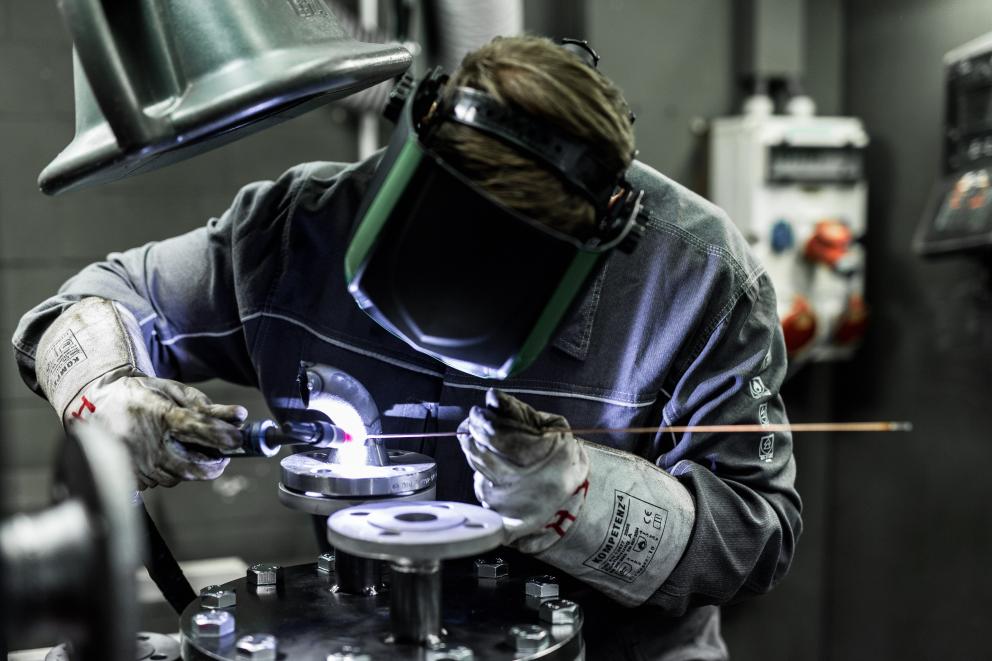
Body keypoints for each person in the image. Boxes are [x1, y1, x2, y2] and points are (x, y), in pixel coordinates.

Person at [12, 35, 800, 659]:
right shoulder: (302, 230)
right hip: (362, 638)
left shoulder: (692, 275)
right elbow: (80, 308)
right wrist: (109, 389)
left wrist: (583, 499)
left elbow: (757, 532)